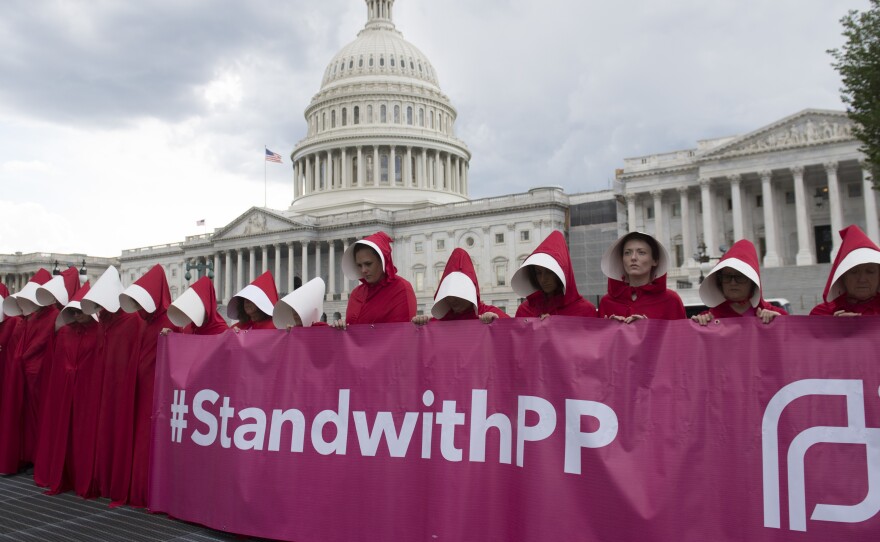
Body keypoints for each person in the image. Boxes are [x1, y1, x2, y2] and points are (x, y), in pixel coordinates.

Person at [80, 266, 145, 504]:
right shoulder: (104, 322)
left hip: (121, 387)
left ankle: (113, 481)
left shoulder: (132, 320)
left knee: (117, 432)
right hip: (103, 387)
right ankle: (102, 479)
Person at [118, 264, 179, 507]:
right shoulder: (143, 321)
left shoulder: (170, 321)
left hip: (155, 394)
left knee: (149, 441)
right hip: (138, 389)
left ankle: (147, 491)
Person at [32, 282, 100, 494]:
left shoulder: (99, 332)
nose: (77, 315)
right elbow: (58, 364)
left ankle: (81, 475)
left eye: (80, 310)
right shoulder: (64, 333)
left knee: (82, 433)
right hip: (65, 391)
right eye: (73, 311)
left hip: (87, 391)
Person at [0, 268, 58, 474]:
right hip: (25, 371)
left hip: (37, 373)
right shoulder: (30, 318)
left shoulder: (51, 316)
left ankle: (33, 454)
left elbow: (39, 343)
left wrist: (21, 359)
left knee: (35, 417)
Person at [690, 239, 786, 325]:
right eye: (727, 277)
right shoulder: (707, 320)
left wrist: (780, 323)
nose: (733, 283)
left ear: (752, 281)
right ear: (720, 282)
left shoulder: (776, 316)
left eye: (740, 277)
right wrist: (697, 328)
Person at [599, 231, 686, 322]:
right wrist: (611, 328)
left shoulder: (671, 300)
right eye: (627, 253)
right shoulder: (607, 302)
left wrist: (647, 327)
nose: (633, 258)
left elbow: (680, 335)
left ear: (655, 260)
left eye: (641, 253)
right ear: (621, 260)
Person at [336, 231, 416, 327]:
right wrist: (341, 327)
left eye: (368, 264)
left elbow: (403, 332)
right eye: (359, 265)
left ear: (382, 261)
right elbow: (351, 331)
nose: (363, 270)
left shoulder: (401, 288)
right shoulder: (356, 294)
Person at [512, 230, 597, 318]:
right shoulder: (524, 311)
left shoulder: (586, 311)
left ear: (563, 272)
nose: (543, 279)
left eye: (549, 272)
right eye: (538, 273)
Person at [412, 248, 509, 325]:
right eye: (448, 294)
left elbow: (513, 332)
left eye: (457, 293)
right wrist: (420, 325)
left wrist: (498, 323)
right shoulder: (439, 321)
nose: (452, 300)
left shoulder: (491, 314)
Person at [810, 224, 880, 316]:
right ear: (842, 277)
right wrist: (835, 326)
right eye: (854, 272)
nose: (862, 279)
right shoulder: (820, 314)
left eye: (870, 271)